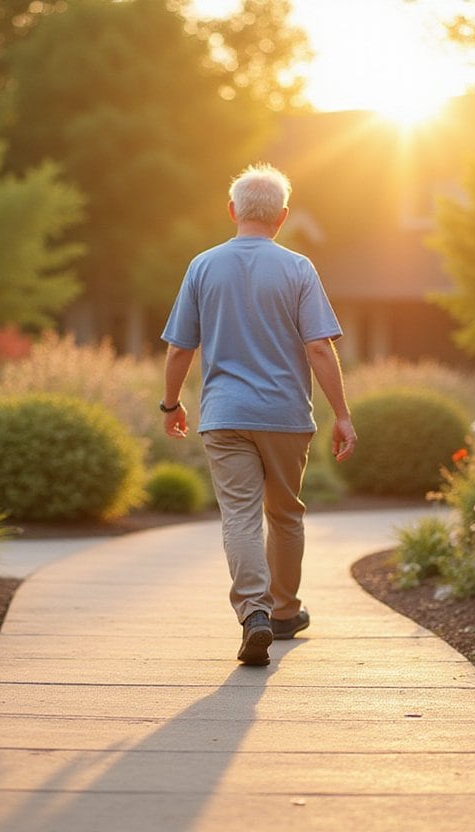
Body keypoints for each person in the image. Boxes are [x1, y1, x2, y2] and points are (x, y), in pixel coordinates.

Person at [159, 162, 357, 667]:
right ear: (283, 216)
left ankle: (255, 615)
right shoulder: (298, 268)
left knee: (240, 517)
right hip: (286, 415)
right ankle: (286, 611)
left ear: (232, 211)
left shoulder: (203, 265)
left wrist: (171, 402)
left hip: (224, 414)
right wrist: (342, 414)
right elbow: (318, 349)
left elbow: (181, 348)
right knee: (285, 513)